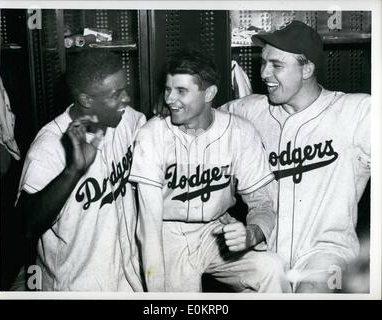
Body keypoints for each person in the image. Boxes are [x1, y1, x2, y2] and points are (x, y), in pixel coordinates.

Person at [220, 20, 370, 293]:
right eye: (263, 62)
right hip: (265, 254)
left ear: (307, 69)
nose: (264, 73)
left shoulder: (354, 112)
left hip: (326, 255)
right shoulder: (250, 111)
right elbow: (203, 116)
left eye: (276, 65)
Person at [129, 49, 291, 292]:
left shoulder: (239, 131)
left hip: (215, 230)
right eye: (167, 89)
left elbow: (262, 201)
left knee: (270, 268)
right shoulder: (151, 134)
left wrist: (252, 233)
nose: (169, 99)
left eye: (182, 91)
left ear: (210, 94)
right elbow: (148, 228)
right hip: (166, 235)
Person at [15, 50, 145, 291]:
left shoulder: (129, 120)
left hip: (126, 278)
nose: (126, 98)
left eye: (124, 89)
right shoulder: (49, 147)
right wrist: (72, 171)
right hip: (75, 285)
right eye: (116, 94)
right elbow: (26, 226)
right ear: (86, 100)